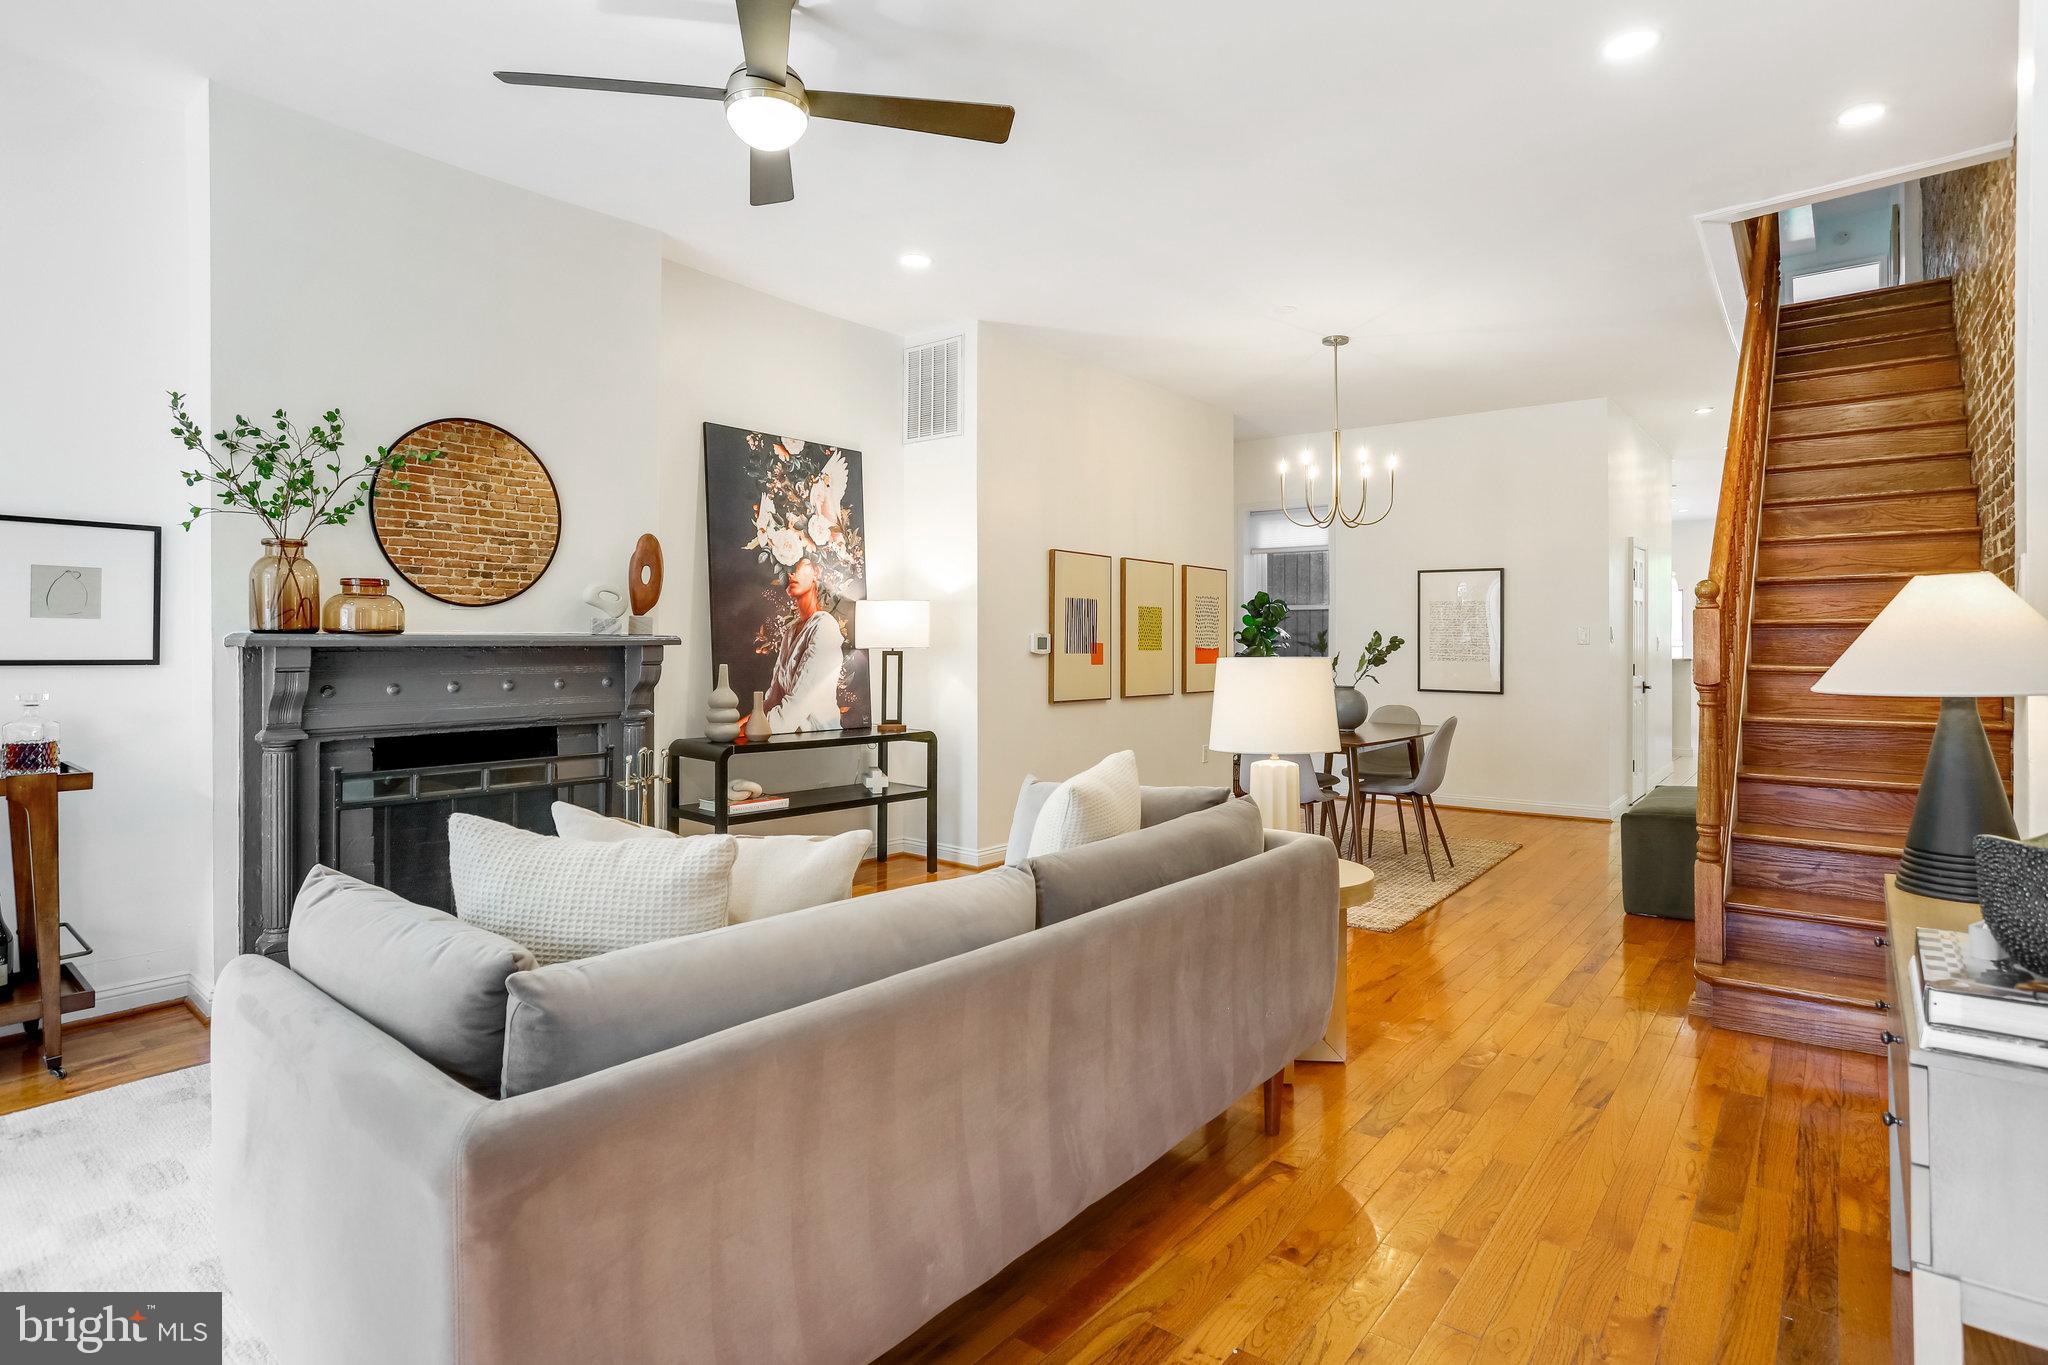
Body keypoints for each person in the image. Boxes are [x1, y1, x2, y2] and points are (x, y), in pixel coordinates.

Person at [749, 556, 844, 734]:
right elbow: (774, 696)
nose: (791, 574)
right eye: (787, 569)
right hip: (793, 740)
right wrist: (739, 725)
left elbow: (799, 703)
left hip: (822, 740)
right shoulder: (790, 632)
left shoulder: (825, 626)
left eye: (798, 567)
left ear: (816, 572)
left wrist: (748, 730)